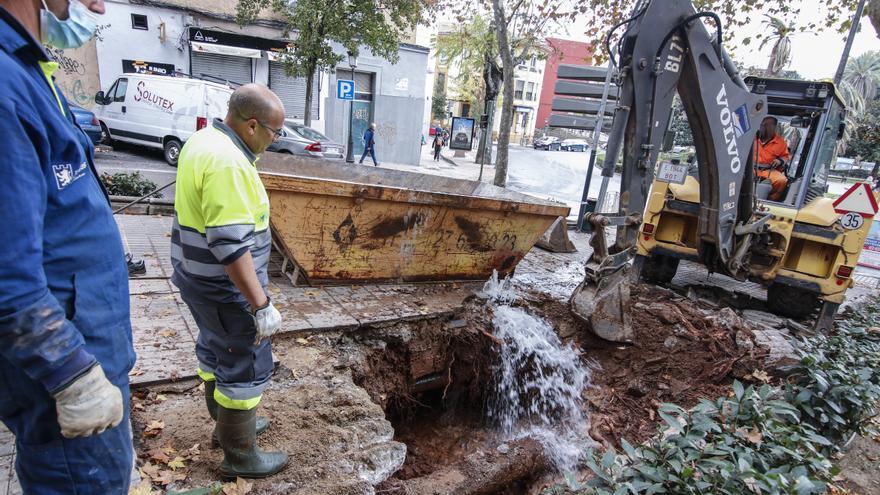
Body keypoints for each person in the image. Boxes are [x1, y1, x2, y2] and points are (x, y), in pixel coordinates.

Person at [0, 0, 138, 493]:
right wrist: (71, 375)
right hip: (65, 382)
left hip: (88, 353)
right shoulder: (4, 84)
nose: (97, 5)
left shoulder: (27, 69)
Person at [172, 84, 288, 479]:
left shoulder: (204, 140)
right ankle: (240, 455)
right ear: (252, 125)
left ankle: (227, 428)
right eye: (274, 133)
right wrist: (260, 305)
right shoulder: (229, 164)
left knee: (214, 347)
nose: (274, 141)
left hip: (194, 275)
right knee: (245, 360)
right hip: (227, 288)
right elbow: (230, 245)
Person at [754, 116, 791, 201]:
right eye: (762, 124)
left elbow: (786, 157)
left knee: (782, 180)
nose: (763, 127)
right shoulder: (752, 138)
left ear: (773, 127)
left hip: (769, 170)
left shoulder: (781, 142)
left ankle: (770, 200)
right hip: (751, 169)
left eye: (766, 125)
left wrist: (779, 161)